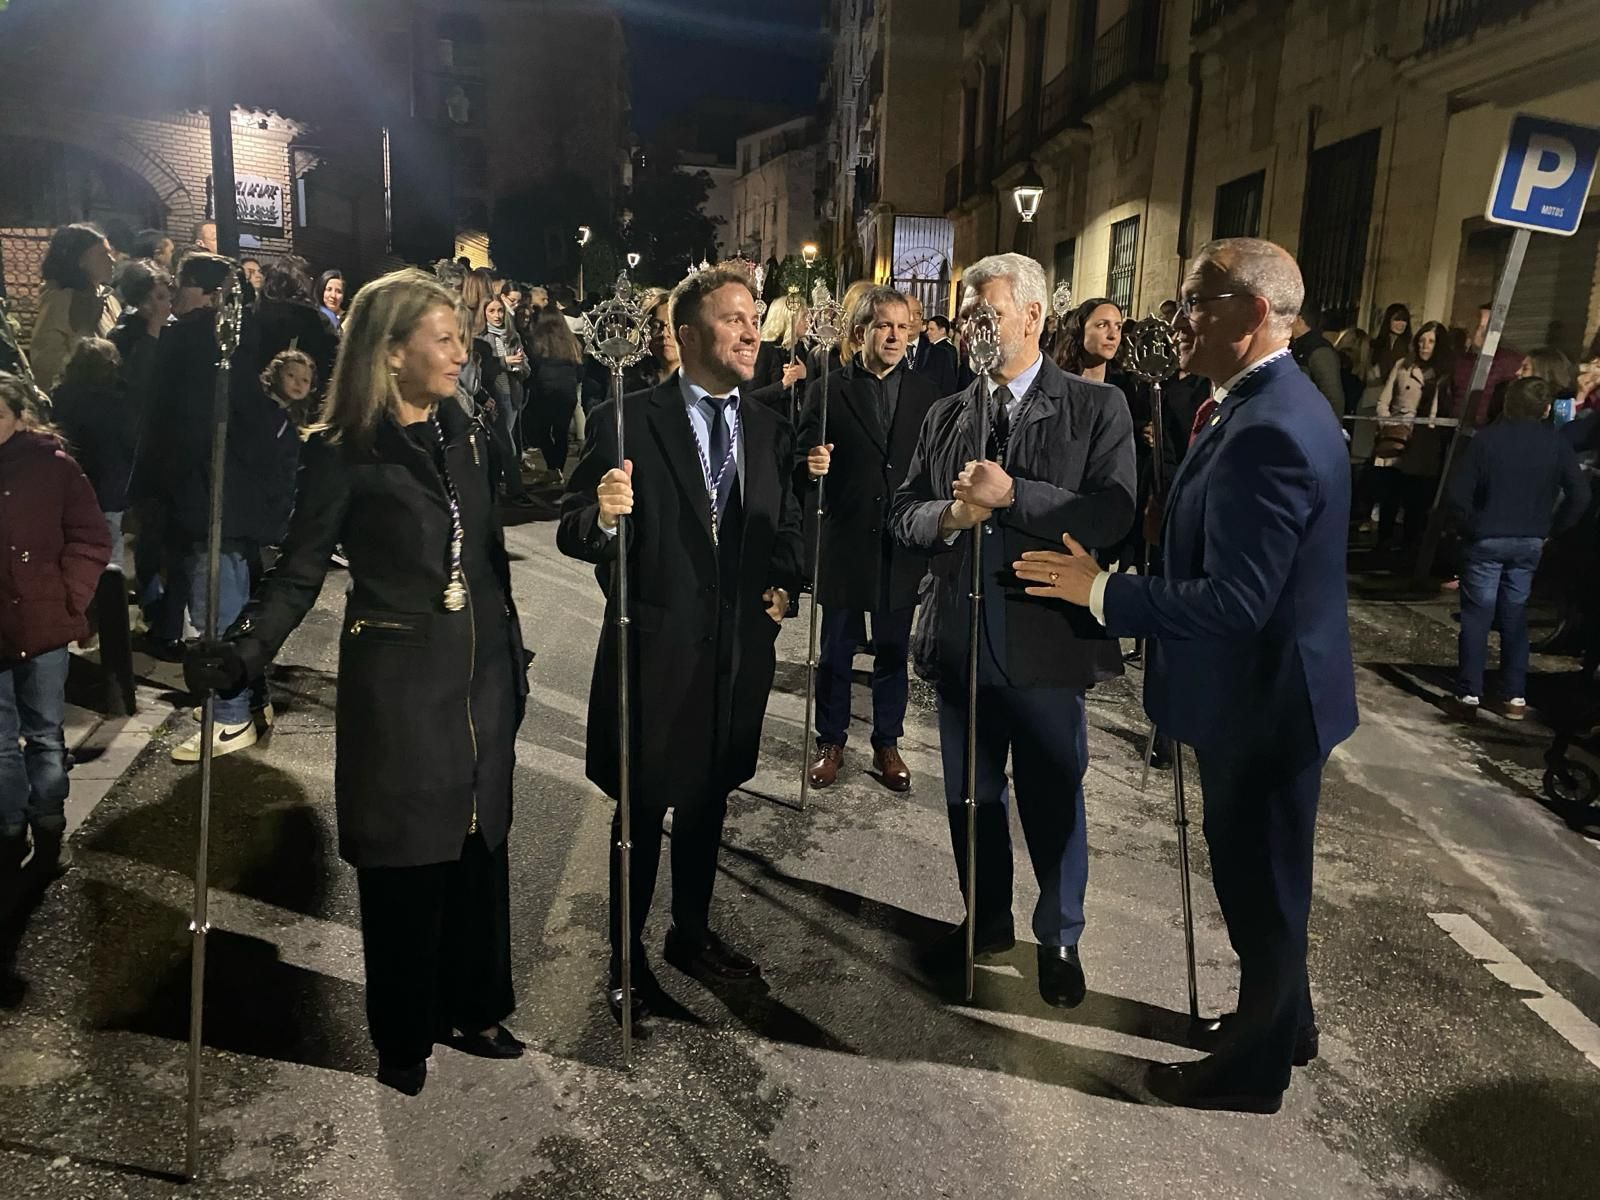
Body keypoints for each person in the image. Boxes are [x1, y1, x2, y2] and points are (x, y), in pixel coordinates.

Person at [1014, 237, 1358, 1113]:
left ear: (1250, 315)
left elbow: (1235, 602)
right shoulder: (1257, 403)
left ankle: (1251, 1072)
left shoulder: (1273, 427)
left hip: (1268, 702)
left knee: (1261, 888)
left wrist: (1106, 594)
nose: (1176, 321)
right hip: (1269, 696)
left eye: (1195, 304)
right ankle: (1285, 1025)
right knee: (1268, 882)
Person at [183, 269, 532, 1096]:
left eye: (461, 334)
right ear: (391, 349)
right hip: (403, 691)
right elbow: (299, 573)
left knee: (481, 848)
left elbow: (487, 557)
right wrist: (242, 654)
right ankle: (404, 1031)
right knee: (408, 863)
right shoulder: (342, 451)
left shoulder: (465, 430)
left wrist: (511, 652)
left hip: (482, 680)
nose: (461, 350)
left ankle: (476, 1001)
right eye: (443, 338)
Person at [557, 266, 804, 1027]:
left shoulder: (769, 427)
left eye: (753, 317)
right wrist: (600, 518)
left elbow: (784, 526)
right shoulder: (626, 418)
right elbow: (572, 528)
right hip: (654, 655)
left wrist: (786, 584)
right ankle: (624, 959)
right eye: (732, 319)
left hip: (735, 660)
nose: (750, 331)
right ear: (686, 333)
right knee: (640, 814)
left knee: (707, 805)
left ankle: (690, 935)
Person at [890, 253, 1136, 1009]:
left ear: (1033, 317)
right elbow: (903, 514)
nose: (975, 326)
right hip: (961, 636)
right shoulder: (945, 412)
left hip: (1047, 639)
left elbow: (1112, 515)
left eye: (989, 311)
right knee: (971, 797)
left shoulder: (1099, 410)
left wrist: (1014, 494)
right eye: (968, 314)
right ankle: (985, 921)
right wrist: (951, 516)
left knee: (1053, 794)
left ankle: (1060, 936)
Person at [137, 253, 287, 758]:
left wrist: (153, 491)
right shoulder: (235, 344)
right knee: (236, 605)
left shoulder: (193, 343)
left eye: (180, 285)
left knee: (216, 612)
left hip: (206, 499)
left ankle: (229, 714)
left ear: (198, 290)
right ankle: (249, 697)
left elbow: (171, 428)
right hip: (231, 498)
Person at [801, 285, 939, 793]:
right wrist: (809, 464)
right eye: (885, 326)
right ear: (861, 331)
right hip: (844, 537)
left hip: (900, 541)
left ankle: (887, 741)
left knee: (891, 649)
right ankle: (830, 740)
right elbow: (798, 457)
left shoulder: (927, 394)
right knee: (836, 649)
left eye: (904, 327)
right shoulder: (828, 389)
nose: (896, 336)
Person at [0, 372, 110, 880]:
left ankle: (47, 824)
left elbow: (89, 538)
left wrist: (70, 599)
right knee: (0, 740)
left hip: (43, 620)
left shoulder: (54, 467)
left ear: (20, 416)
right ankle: (8, 826)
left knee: (44, 733)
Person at [1446, 376, 1588, 719]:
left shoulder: (1487, 441)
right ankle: (1514, 696)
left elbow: (1457, 496)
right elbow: (1580, 495)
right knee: (1514, 614)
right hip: (1530, 540)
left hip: (1487, 536)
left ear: (1509, 404)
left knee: (1478, 615)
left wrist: (1469, 528)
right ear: (1545, 409)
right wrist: (1553, 530)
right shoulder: (1555, 444)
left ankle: (1469, 693)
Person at [51, 338, 134, 565]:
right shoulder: (119, 399)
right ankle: (110, 595)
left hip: (72, 483)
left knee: (75, 544)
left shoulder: (62, 396)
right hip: (110, 485)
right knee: (110, 546)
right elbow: (128, 441)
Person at [1371, 320, 1453, 551]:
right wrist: (1388, 423)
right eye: (1421, 340)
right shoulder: (1403, 366)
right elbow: (1384, 401)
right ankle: (1383, 542)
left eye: (1431, 342)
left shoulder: (1445, 372)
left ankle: (1410, 545)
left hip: (1425, 443)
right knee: (1390, 494)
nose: (1425, 346)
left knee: (1416, 498)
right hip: (1397, 437)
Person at [30, 223, 119, 391]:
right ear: (80, 260)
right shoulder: (60, 301)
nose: (112, 260)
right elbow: (46, 364)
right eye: (103, 254)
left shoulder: (107, 298)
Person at [521, 305, 583, 486]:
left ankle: (552, 467)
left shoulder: (537, 341)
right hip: (567, 390)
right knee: (561, 432)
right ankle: (559, 470)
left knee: (543, 431)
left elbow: (532, 366)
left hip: (544, 391)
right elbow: (580, 369)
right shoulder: (571, 342)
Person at [1290, 306, 1345, 423]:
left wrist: (1329, 427)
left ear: (1299, 319)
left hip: (1310, 421)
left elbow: (1333, 395)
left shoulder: (1319, 349)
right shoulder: (1296, 346)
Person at [916, 313, 961, 397]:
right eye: (928, 329)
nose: (928, 332)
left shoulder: (945, 350)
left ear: (942, 330)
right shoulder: (944, 347)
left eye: (931, 329)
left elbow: (948, 381)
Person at [317, 269, 346, 333]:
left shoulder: (349, 321)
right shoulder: (313, 316)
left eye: (338, 291)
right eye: (329, 289)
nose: (333, 295)